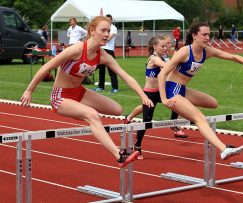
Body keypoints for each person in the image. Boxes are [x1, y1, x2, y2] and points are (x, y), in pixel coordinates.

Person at [20, 16, 154, 168]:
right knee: (92, 115)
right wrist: (29, 90)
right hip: (60, 96)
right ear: (92, 31)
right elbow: (46, 67)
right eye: (103, 30)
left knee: (117, 109)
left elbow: (126, 76)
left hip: (79, 92)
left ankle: (89, 118)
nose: (106, 34)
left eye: (108, 31)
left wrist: (142, 95)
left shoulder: (103, 55)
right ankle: (119, 156)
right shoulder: (77, 49)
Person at [157, 22, 243, 160]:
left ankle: (184, 111)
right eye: (204, 35)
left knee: (213, 103)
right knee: (199, 118)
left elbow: (232, 56)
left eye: (209, 34)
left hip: (183, 89)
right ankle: (224, 149)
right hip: (172, 89)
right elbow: (161, 74)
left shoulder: (208, 51)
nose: (208, 38)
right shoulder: (184, 52)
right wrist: (164, 99)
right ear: (194, 36)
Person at [125, 34, 188, 140]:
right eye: (163, 46)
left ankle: (173, 125)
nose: (165, 48)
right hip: (149, 93)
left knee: (177, 102)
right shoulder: (154, 59)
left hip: (160, 91)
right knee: (147, 121)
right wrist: (178, 59)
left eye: (166, 45)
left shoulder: (164, 56)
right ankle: (137, 145)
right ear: (154, 46)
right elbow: (166, 65)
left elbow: (170, 67)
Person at [94, 14, 119, 93]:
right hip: (102, 49)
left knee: (112, 70)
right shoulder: (104, 28)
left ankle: (115, 88)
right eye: (106, 19)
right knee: (101, 70)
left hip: (109, 50)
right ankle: (101, 87)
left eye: (109, 19)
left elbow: (108, 38)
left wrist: (100, 36)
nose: (108, 21)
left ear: (111, 20)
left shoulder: (113, 28)